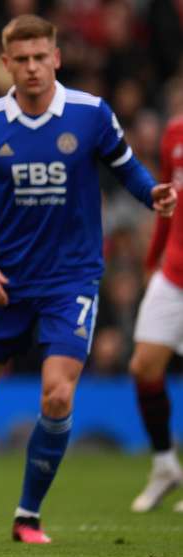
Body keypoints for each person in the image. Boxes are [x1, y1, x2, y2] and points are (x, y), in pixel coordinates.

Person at [0, 15, 176, 543]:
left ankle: (27, 515)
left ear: (56, 58)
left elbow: (125, 167)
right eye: (20, 60)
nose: (31, 68)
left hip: (70, 280)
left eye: (40, 57)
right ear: (6, 64)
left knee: (56, 397)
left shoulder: (91, 114)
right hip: (6, 278)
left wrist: (152, 196)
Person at [129, 93, 183, 513]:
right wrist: (152, 260)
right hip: (172, 274)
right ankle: (165, 464)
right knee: (144, 366)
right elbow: (166, 201)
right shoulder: (174, 133)